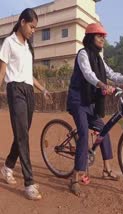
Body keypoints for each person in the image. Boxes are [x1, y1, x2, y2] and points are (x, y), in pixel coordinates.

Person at [66, 23, 123, 196]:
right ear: (91, 38)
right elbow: (87, 73)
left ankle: (106, 170)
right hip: (78, 101)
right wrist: (101, 84)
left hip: (90, 103)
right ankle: (75, 178)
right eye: (99, 36)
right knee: (84, 134)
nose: (103, 39)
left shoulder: (99, 58)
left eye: (103, 36)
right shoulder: (83, 54)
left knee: (103, 131)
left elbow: (112, 74)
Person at [0, 8, 52, 200]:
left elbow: (28, 74)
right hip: (15, 91)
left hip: (29, 91)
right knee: (22, 135)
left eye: (35, 28)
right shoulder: (9, 42)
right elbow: (3, 71)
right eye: (32, 26)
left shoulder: (27, 47)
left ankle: (7, 168)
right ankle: (29, 183)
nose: (33, 30)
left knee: (22, 133)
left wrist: (43, 89)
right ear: (22, 22)